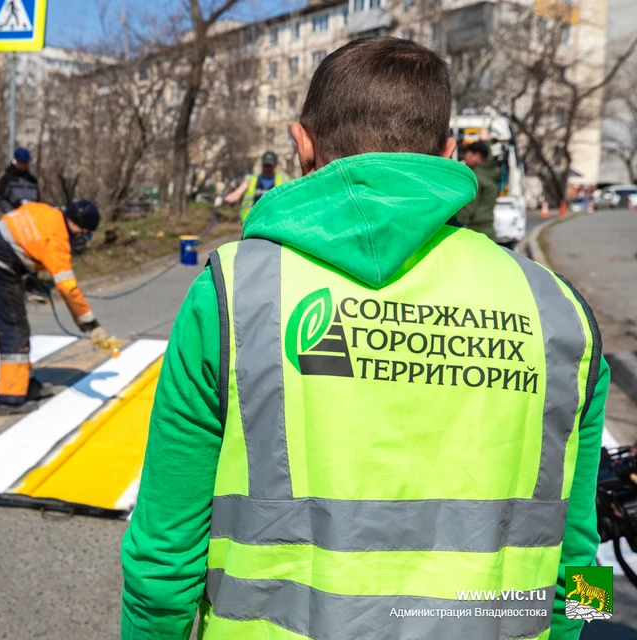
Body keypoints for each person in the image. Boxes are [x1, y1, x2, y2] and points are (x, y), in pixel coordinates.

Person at [122, 37, 609, 640]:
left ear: (301, 145)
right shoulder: (560, 315)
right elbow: (582, 555)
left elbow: (163, 557)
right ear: (450, 154)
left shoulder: (234, 294)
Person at [0, 200, 118, 415]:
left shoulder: (47, 212)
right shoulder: (57, 241)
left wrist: (28, 270)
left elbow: (23, 236)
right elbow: (68, 288)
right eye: (86, 235)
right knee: (13, 330)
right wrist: (90, 324)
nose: (84, 241)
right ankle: (10, 399)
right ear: (78, 227)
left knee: (19, 327)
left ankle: (27, 386)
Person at [214, 151, 289, 223]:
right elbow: (236, 195)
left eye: (270, 165)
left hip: (273, 223)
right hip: (251, 223)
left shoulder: (283, 180)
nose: (267, 168)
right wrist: (222, 199)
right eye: (266, 165)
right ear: (262, 164)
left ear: (275, 165)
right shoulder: (251, 179)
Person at [458, 140, 501, 244]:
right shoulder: (491, 174)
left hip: (474, 234)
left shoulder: (475, 178)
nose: (464, 157)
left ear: (476, 156)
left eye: (467, 154)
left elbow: (466, 209)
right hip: (489, 232)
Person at [0, 148, 40, 214]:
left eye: (26, 162)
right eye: (22, 162)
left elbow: (37, 200)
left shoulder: (32, 180)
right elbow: (1, 199)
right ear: (15, 161)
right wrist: (11, 212)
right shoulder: (7, 179)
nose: (24, 165)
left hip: (31, 218)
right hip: (13, 218)